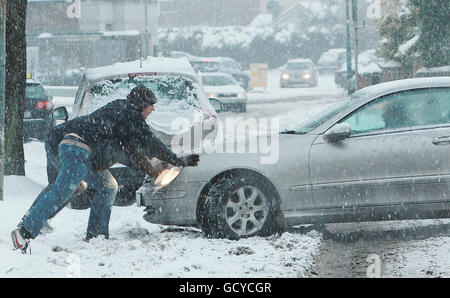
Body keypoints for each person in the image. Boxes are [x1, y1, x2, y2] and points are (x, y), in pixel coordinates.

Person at [11, 85, 199, 253]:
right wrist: (176, 160)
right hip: (75, 144)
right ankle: (24, 231)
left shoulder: (125, 123)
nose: (154, 109)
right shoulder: (128, 113)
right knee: (65, 187)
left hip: (84, 153)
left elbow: (138, 156)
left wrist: (163, 168)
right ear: (142, 104)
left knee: (107, 186)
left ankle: (96, 236)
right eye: (152, 105)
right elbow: (151, 142)